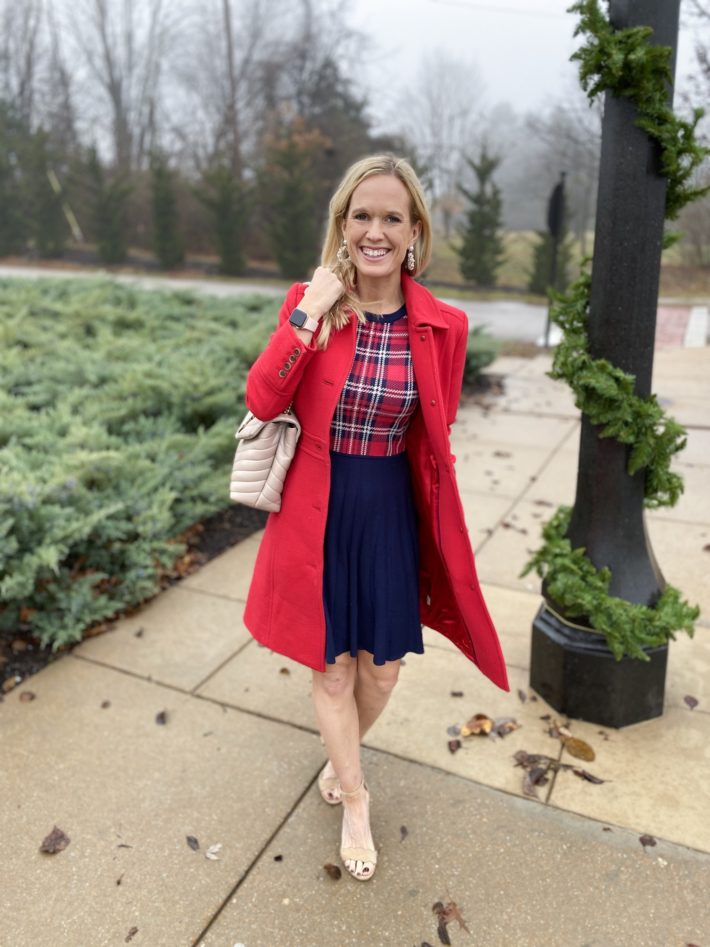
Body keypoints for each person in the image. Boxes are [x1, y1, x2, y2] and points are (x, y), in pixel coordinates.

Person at [242, 154, 510, 882]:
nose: (375, 230)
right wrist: (309, 312)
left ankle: (341, 752)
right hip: (318, 508)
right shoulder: (311, 303)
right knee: (331, 672)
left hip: (388, 506)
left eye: (392, 217)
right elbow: (264, 398)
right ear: (342, 225)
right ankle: (353, 795)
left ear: (415, 230)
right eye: (362, 215)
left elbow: (438, 427)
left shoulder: (442, 325)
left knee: (381, 672)